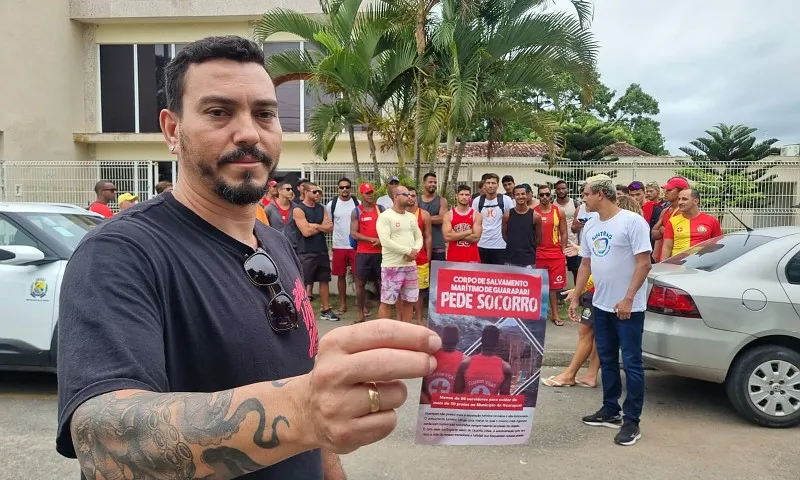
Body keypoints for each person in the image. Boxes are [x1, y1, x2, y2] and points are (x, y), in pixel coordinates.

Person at [56, 35, 441, 480]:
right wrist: (303, 410)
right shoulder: (120, 253)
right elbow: (102, 441)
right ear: (172, 129)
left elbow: (308, 404)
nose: (248, 133)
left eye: (264, 113)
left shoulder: (275, 242)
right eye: (218, 112)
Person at [569, 174, 652, 447]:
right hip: (601, 305)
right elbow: (585, 265)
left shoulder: (632, 222)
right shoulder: (591, 226)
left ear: (600, 194)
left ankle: (632, 421)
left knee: (631, 363)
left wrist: (628, 298)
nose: (583, 198)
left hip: (628, 308)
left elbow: (644, 263)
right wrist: (576, 295)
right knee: (606, 359)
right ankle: (610, 410)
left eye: (586, 193)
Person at [542, 194, 643, 389]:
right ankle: (589, 374)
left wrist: (578, 290)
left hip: (605, 294)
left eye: (588, 194)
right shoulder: (602, 229)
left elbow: (604, 266)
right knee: (598, 337)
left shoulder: (628, 229)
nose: (585, 199)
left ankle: (570, 374)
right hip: (602, 294)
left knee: (587, 333)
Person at [376, 185, 423, 323]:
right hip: (392, 266)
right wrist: (407, 251)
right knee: (387, 301)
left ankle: (405, 332)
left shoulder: (411, 217)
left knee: (409, 301)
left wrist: (415, 251)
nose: (409, 197)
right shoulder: (385, 217)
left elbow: (419, 237)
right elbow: (385, 241)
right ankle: (382, 333)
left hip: (410, 265)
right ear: (396, 197)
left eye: (410, 194)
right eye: (405, 194)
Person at [294, 183, 339, 322]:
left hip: (321, 250)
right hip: (306, 252)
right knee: (303, 282)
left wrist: (315, 225)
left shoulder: (322, 208)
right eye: (315, 192)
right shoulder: (298, 209)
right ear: (306, 192)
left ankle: (326, 310)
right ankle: (300, 313)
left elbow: (329, 227)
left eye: (320, 192)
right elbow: (306, 232)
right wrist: (321, 227)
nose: (318, 194)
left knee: (324, 280)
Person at [350, 182, 384, 323]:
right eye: (367, 193)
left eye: (371, 192)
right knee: (360, 283)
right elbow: (354, 234)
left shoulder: (381, 209)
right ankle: (361, 315)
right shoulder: (357, 211)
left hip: (380, 252)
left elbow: (388, 229)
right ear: (361, 195)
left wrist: (381, 240)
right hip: (363, 253)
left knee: (383, 283)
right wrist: (371, 239)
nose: (370, 195)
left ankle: (383, 315)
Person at [534, 184, 568, 326]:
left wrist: (563, 251)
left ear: (551, 195)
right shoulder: (533, 212)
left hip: (555, 255)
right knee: (536, 287)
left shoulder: (559, 212)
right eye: (541, 195)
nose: (544, 197)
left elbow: (564, 233)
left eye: (547, 194)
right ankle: (536, 315)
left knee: (554, 289)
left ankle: (555, 314)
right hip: (538, 254)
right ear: (538, 196)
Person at [326, 177, 359, 315]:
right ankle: (342, 304)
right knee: (340, 276)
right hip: (339, 245)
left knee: (359, 276)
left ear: (351, 188)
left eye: (347, 187)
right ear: (337, 188)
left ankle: (361, 306)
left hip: (355, 246)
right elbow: (329, 223)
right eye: (341, 187)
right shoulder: (331, 204)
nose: (344, 189)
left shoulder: (358, 203)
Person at [661, 188, 722, 259]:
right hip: (677, 266)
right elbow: (667, 247)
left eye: (684, 199)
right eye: (679, 199)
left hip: (702, 265)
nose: (680, 202)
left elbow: (717, 246)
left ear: (695, 201)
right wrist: (663, 268)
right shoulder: (672, 221)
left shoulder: (712, 221)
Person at [454, 325, 512, 395]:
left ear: (481, 340)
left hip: (468, 405)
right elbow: (504, 399)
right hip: (489, 405)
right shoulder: (505, 368)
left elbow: (456, 395)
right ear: (497, 343)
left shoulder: (465, 364)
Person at [472, 173, 514, 264]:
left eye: (493, 183)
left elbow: (512, 220)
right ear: (484, 185)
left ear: (498, 185)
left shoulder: (506, 200)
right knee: (482, 275)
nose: (491, 185)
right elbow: (474, 222)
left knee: (499, 275)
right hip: (481, 244)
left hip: (500, 246)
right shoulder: (477, 201)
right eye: (488, 183)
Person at [406, 187, 432, 326]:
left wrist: (428, 255)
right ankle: (402, 320)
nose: (410, 198)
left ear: (417, 197)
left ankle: (420, 320)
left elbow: (428, 236)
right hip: (402, 259)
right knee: (401, 290)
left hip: (420, 258)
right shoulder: (398, 214)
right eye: (407, 195)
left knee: (420, 291)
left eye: (413, 195)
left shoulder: (424, 214)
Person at [421, 324, 465, 403]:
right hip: (450, 409)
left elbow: (420, 388)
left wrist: (427, 405)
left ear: (442, 338)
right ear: (458, 340)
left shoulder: (429, 356)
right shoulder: (465, 360)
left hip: (427, 407)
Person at [502, 185, 542, 268]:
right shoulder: (507, 215)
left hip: (529, 260)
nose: (521, 197)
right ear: (513, 196)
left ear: (526, 195)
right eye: (518, 194)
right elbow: (505, 235)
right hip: (511, 259)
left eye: (523, 194)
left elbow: (538, 239)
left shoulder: (535, 216)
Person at [651, 176, 689, 262]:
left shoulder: (684, 212)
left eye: (669, 190)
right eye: (666, 190)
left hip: (677, 257)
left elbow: (681, 235)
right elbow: (654, 234)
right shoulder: (665, 211)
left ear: (681, 192)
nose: (666, 192)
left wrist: (664, 231)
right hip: (664, 256)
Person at [444, 185, 482, 263]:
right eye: (461, 194)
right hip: (453, 258)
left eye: (467, 195)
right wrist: (468, 232)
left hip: (472, 258)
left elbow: (475, 238)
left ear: (470, 197)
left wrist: (455, 234)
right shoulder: (448, 215)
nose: (464, 197)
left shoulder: (476, 215)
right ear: (456, 196)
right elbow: (447, 237)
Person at [418, 172, 448, 262]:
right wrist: (434, 218)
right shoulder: (416, 200)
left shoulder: (442, 201)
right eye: (430, 182)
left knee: (438, 275)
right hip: (420, 244)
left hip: (438, 245)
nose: (433, 184)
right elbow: (412, 218)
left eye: (435, 182)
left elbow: (442, 219)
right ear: (424, 183)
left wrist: (423, 219)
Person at [555, 180, 581, 282]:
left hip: (572, 243)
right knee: (556, 271)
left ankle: (577, 294)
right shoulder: (552, 204)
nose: (561, 191)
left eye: (563, 188)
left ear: (567, 189)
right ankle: (558, 295)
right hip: (556, 243)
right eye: (558, 189)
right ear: (555, 190)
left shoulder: (575, 204)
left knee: (576, 270)